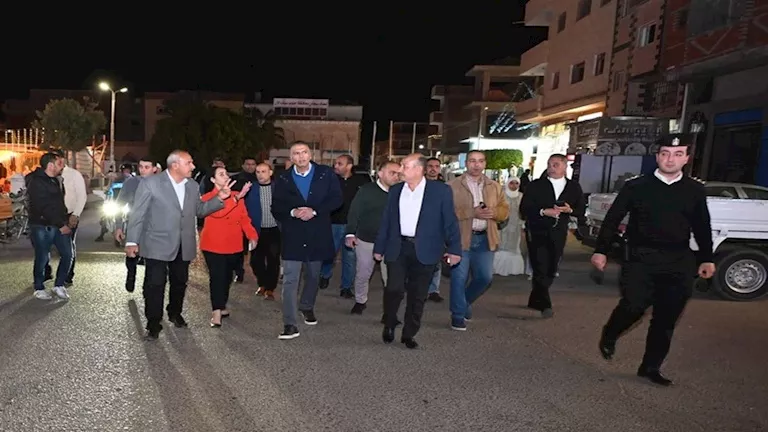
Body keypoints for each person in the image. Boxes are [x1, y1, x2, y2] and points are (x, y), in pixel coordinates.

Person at [592, 134, 715, 386]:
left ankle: (650, 367)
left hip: (678, 260)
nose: (671, 159)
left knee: (666, 318)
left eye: (678, 154)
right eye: (665, 154)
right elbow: (613, 219)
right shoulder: (636, 186)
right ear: (657, 156)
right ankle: (611, 332)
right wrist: (601, 250)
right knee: (634, 306)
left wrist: (706, 258)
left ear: (686, 158)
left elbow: (702, 226)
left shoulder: (694, 190)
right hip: (641, 258)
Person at [125, 150, 229, 340]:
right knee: (155, 284)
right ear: (175, 165)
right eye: (189, 163)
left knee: (180, 282)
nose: (193, 166)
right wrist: (132, 241)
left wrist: (219, 198)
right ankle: (153, 323)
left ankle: (174, 312)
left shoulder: (192, 185)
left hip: (183, 243)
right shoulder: (151, 183)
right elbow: (138, 213)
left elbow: (199, 210)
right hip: (156, 243)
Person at [374, 153, 462, 349]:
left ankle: (409, 333)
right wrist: (379, 247)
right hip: (398, 247)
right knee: (393, 288)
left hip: (426, 249)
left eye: (404, 166)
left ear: (418, 169)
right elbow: (387, 220)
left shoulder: (440, 191)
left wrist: (455, 249)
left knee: (418, 294)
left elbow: (450, 221)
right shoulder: (395, 190)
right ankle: (389, 322)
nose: (400, 170)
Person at [271, 141, 342, 340]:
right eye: (296, 153)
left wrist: (315, 211)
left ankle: (306, 305)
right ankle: (290, 324)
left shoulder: (325, 174)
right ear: (291, 157)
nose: (301, 156)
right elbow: (276, 206)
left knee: (313, 275)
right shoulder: (283, 178)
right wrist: (293, 212)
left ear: (310, 155)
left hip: (317, 234)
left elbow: (337, 199)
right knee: (290, 280)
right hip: (293, 235)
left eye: (304, 152)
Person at [447, 150, 509, 330]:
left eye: (480, 161)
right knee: (459, 278)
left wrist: (494, 212)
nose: (476, 165)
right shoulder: (452, 186)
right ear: (466, 163)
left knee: (485, 278)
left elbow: (505, 210)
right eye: (473, 161)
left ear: (485, 164)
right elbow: (446, 214)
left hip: (485, 239)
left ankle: (464, 302)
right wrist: (471, 213)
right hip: (461, 239)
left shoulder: (494, 186)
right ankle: (458, 315)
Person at [519, 154, 585, 318]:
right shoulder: (536, 185)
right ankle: (545, 305)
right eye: (549, 164)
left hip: (559, 233)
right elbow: (524, 208)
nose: (552, 168)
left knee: (551, 268)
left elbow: (580, 210)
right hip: (537, 231)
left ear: (564, 166)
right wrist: (543, 211)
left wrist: (570, 210)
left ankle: (535, 298)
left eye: (556, 164)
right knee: (540, 266)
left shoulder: (573, 187)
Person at [200, 166, 258, 327]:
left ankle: (221, 304)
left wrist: (252, 235)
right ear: (213, 179)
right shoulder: (207, 198)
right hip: (213, 244)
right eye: (221, 174)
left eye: (226, 173)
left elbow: (244, 218)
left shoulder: (236, 195)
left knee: (227, 277)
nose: (226, 176)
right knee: (217, 277)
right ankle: (216, 312)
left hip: (234, 244)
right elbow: (219, 213)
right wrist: (236, 198)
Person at [345, 161, 401, 315]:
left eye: (398, 173)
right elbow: (354, 212)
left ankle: (390, 309)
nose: (396, 176)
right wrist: (350, 233)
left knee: (390, 277)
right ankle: (360, 301)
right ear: (380, 174)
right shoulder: (366, 191)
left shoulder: (401, 192)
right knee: (363, 273)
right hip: (367, 239)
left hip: (391, 242)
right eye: (392, 173)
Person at [320, 154, 369, 298]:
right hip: (333, 224)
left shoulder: (360, 182)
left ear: (349, 166)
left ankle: (346, 287)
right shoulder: (330, 181)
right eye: (335, 163)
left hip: (352, 227)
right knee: (329, 253)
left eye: (339, 163)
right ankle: (324, 275)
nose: (335, 166)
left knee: (350, 258)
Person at [27, 152, 73, 300]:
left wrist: (65, 219)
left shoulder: (56, 180)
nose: (62, 166)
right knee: (42, 257)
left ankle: (59, 285)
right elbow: (43, 207)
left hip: (58, 224)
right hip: (42, 226)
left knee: (68, 254)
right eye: (59, 163)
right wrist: (60, 224)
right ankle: (39, 287)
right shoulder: (36, 182)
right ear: (50, 165)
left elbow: (59, 204)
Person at [115, 157, 156, 292]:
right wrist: (118, 226)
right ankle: (131, 274)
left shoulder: (161, 184)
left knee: (152, 261)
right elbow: (119, 204)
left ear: (154, 169)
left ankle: (147, 287)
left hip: (153, 228)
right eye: (141, 167)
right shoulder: (131, 183)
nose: (143, 170)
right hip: (134, 225)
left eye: (147, 167)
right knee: (131, 255)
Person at [244, 162, 281, 300]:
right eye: (258, 172)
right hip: (256, 230)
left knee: (273, 259)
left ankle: (270, 288)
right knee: (255, 261)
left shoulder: (278, 188)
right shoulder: (251, 188)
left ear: (270, 173)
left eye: (263, 171)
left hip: (274, 230)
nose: (260, 175)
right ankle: (262, 283)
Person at [60, 156, 87, 287]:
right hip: (53, 216)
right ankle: (46, 272)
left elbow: (82, 196)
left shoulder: (74, 175)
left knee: (68, 245)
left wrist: (76, 214)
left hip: (70, 215)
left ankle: (67, 275)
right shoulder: (49, 175)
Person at [232, 156, 259, 283]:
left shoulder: (260, 178)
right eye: (248, 164)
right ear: (243, 165)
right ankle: (239, 271)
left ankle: (257, 271)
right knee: (239, 247)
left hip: (256, 217)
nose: (250, 166)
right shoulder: (236, 179)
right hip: (239, 216)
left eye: (252, 164)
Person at [494, 176, 525, 276]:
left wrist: (523, 224)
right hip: (503, 225)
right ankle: (499, 268)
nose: (514, 186)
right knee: (501, 244)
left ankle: (513, 269)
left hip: (516, 225)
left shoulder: (521, 196)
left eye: (516, 183)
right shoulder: (501, 195)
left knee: (514, 245)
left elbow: (523, 211)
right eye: (512, 183)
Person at [425, 156, 445, 302]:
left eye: (436, 166)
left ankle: (433, 290)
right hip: (421, 228)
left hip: (438, 229)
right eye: (430, 166)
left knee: (436, 262)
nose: (433, 169)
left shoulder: (444, 187)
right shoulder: (418, 185)